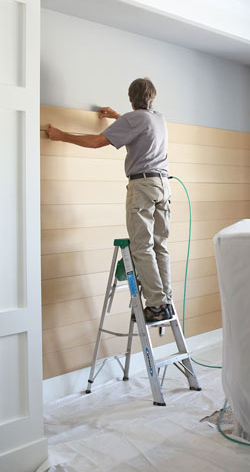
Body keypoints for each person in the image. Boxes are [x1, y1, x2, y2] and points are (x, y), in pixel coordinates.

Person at [45, 78, 174, 324]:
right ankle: (165, 300)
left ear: (130, 98)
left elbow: (96, 142)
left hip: (143, 187)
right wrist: (117, 116)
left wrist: (61, 135)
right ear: (153, 97)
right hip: (163, 186)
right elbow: (138, 126)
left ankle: (156, 304)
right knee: (160, 246)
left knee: (141, 247)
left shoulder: (133, 119)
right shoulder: (158, 118)